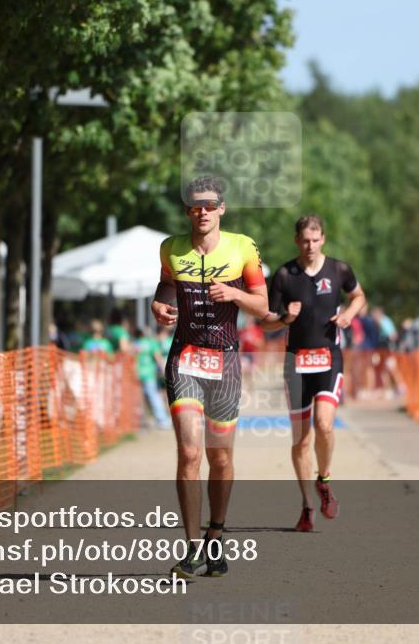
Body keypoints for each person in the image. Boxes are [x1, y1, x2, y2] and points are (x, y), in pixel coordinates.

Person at [151, 175, 269, 578]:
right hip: (184, 358)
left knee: (220, 458)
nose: (202, 212)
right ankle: (192, 547)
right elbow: (165, 288)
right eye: (194, 206)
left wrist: (235, 294)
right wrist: (159, 306)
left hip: (226, 362)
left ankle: (216, 535)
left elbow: (263, 305)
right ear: (187, 210)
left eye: (209, 205)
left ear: (222, 208)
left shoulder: (243, 247)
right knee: (189, 453)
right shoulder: (171, 248)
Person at [260, 214, 365, 533]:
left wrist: (348, 314)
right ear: (297, 241)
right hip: (297, 362)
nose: (310, 245)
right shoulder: (283, 275)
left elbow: (359, 296)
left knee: (324, 424)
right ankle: (307, 505)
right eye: (304, 240)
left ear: (323, 240)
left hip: (328, 357)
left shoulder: (339, 270)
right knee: (301, 440)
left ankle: (325, 478)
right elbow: (266, 321)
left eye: (315, 240)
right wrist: (285, 319)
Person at [134, 327, 170, 429]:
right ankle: (162, 420)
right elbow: (158, 357)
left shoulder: (135, 343)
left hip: (136, 374)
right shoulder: (151, 343)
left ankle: (143, 421)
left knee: (141, 399)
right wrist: (164, 370)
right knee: (154, 397)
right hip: (149, 374)